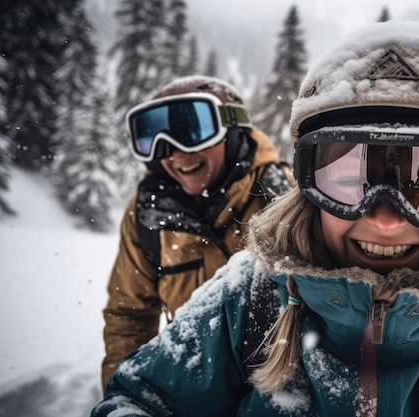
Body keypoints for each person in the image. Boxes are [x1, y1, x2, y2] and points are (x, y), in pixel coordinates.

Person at [92, 22, 419, 416]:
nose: (384, 218)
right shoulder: (247, 299)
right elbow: (138, 398)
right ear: (308, 187)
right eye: (347, 176)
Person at [100, 75, 292, 390]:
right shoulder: (148, 215)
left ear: (233, 131)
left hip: (274, 391)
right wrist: (126, 398)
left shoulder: (285, 197)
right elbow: (128, 319)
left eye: (193, 132)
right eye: (154, 140)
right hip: (189, 392)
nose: (175, 155)